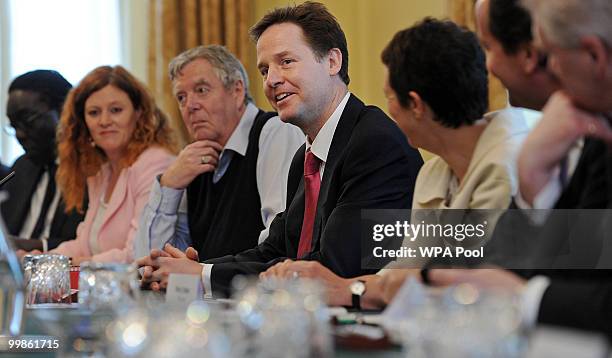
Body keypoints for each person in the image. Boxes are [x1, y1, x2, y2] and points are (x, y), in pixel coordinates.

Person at [138, 1, 423, 296]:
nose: (271, 80)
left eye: (286, 61)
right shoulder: (306, 155)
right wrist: (194, 271)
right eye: (264, 69)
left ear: (332, 62)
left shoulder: (374, 143)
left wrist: (204, 274)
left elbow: (332, 270)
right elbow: (273, 250)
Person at [263, 18, 533, 308]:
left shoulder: (507, 162)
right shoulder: (434, 172)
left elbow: (465, 283)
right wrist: (345, 287)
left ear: (415, 105)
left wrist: (350, 289)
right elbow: (403, 270)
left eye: (389, 97)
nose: (387, 112)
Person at [411, 0, 612, 338]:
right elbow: (498, 270)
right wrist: (532, 176)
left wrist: (524, 298)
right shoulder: (583, 131)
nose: (553, 72)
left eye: (552, 54)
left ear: (593, 54)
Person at [134, 45, 304, 261]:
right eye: (181, 97)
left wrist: (204, 274)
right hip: (207, 293)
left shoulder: (275, 131)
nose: (190, 106)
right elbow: (149, 259)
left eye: (201, 90)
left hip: (256, 292)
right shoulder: (193, 161)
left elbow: (280, 244)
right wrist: (169, 185)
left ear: (237, 90)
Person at [30, 65, 176, 264]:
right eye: (94, 112)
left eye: (116, 110)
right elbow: (83, 244)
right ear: (83, 122)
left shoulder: (155, 163)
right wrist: (39, 259)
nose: (104, 121)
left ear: (138, 113)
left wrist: (71, 263)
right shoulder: (101, 171)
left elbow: (137, 254)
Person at [1, 70, 84, 250]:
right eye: (14, 126)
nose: (20, 134)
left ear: (64, 111)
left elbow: (95, 244)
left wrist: (26, 246)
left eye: (28, 120)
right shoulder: (22, 167)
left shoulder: (94, 170)